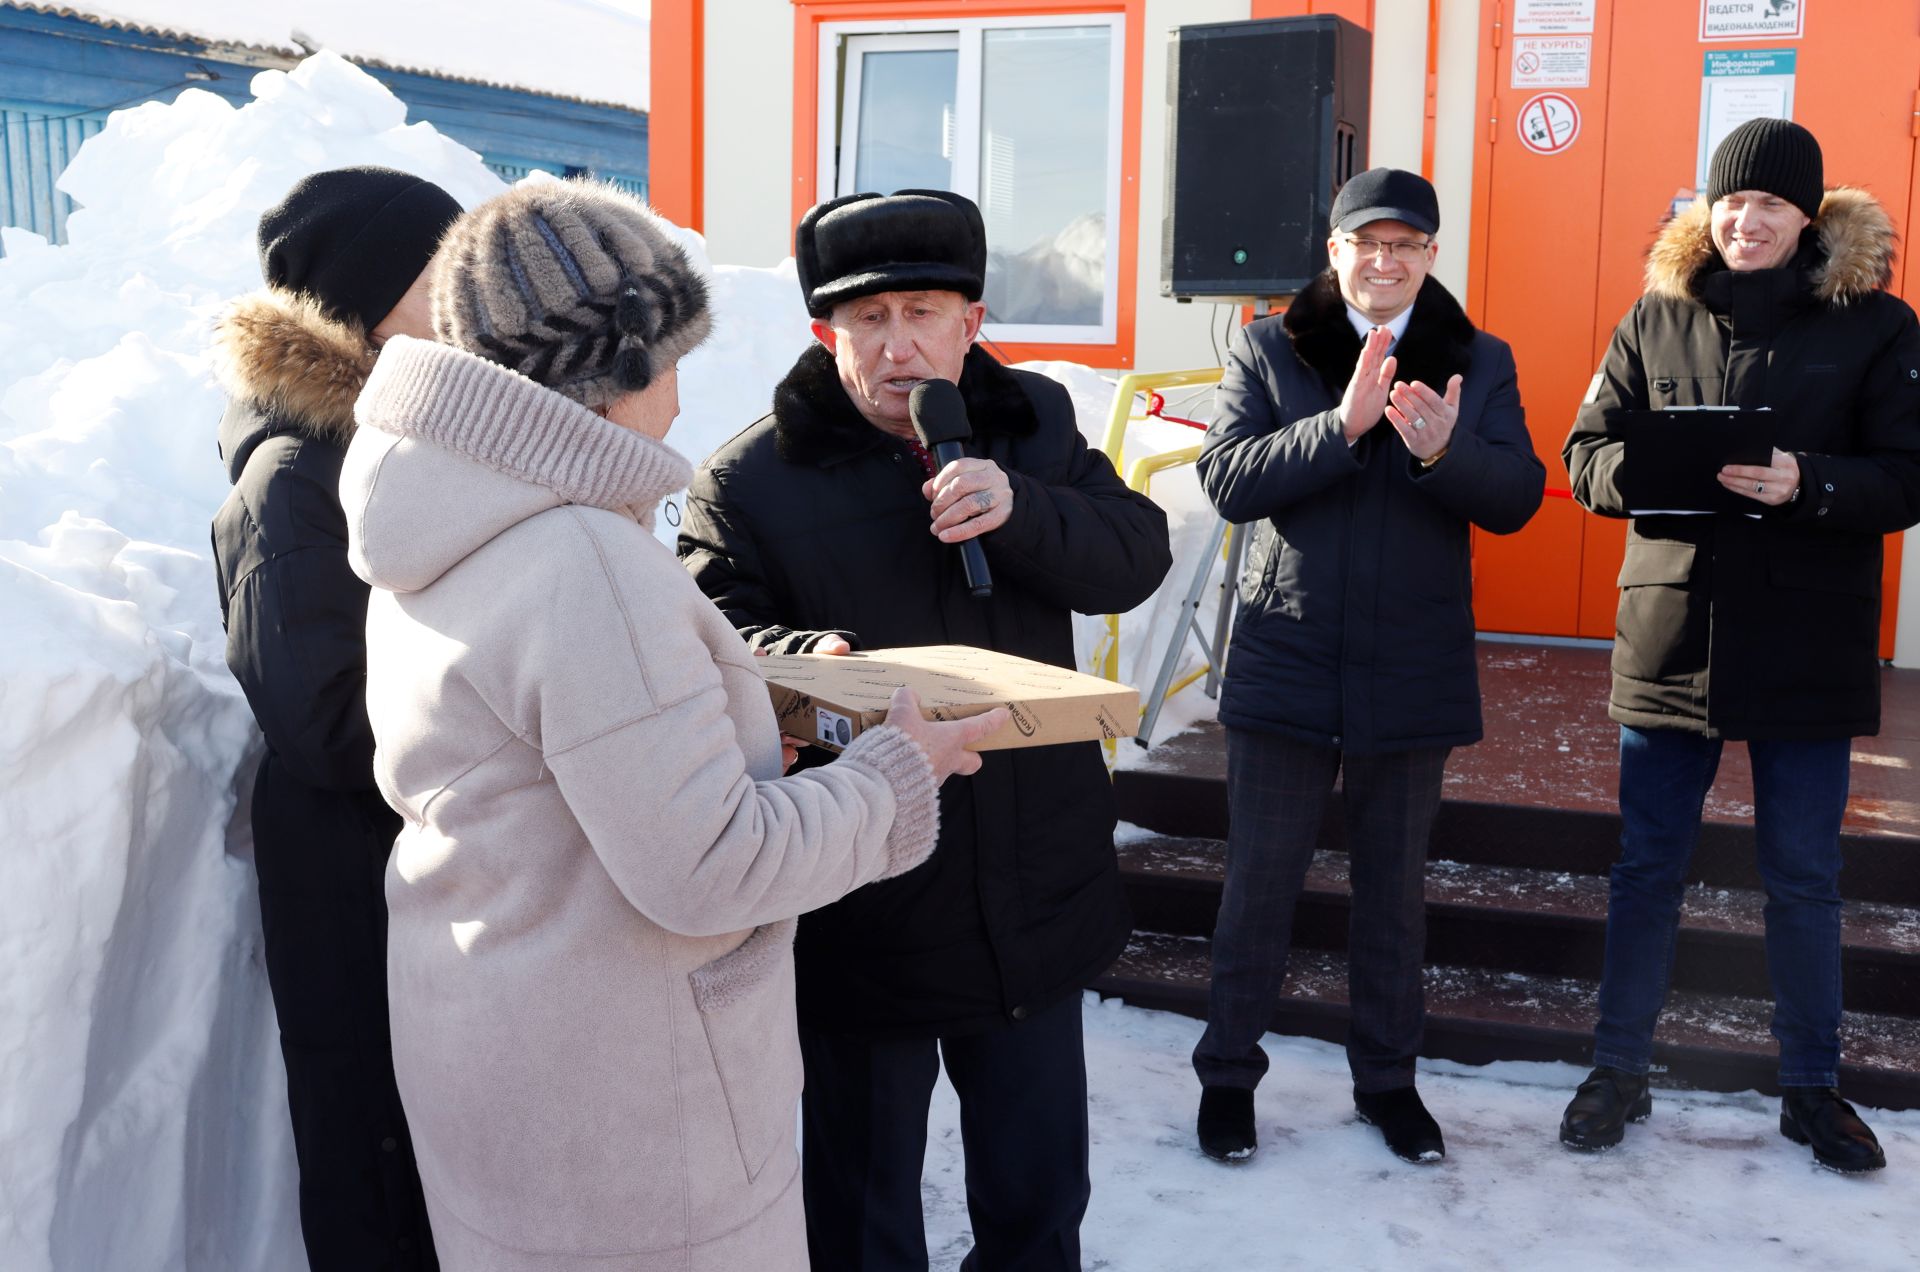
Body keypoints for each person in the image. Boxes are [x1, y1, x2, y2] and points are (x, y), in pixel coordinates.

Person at [339, 177, 1005, 1270]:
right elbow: (708, 869)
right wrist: (897, 775)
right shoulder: (584, 561)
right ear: (621, 363)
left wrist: (729, 727)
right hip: (638, 1131)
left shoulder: (443, 520)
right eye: (675, 357)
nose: (685, 398)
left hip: (503, 1065)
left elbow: (544, 775)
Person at [678, 189, 1171, 1271]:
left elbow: (1135, 559)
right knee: (859, 1213)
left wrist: (1026, 509)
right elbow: (710, 642)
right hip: (867, 899)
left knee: (1040, 1198)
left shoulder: (1032, 424)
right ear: (825, 332)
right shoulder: (752, 478)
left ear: (972, 321)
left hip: (1034, 878)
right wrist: (811, 668)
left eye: (922, 313)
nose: (898, 347)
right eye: (868, 321)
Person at [1559, 118, 1920, 1172]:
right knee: (1646, 867)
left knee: (1803, 874)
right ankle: (1618, 1069)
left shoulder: (1878, 326)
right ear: (1706, 211)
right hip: (1671, 636)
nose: (1746, 219)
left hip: (1807, 639)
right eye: (1731, 200)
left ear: (1809, 216)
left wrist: (1812, 483)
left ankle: (1812, 1088)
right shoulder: (1654, 316)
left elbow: (1907, 475)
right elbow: (1586, 457)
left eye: (1769, 203)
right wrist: (1657, 473)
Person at [1190, 168, 1545, 1166]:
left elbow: (1517, 494)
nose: (1385, 263)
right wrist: (1338, 429)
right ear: (1334, 251)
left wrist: (1444, 454)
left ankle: (1389, 1085)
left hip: (1412, 662)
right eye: (1366, 243)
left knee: (1393, 895)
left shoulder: (1480, 357)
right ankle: (1227, 1082)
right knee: (1256, 888)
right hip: (1289, 652)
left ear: (1432, 256)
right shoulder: (1270, 346)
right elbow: (1227, 480)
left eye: (1407, 246)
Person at [211, 164, 461, 1270]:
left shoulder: (409, 443)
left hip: (423, 857)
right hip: (350, 883)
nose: (464, 302)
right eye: (437, 278)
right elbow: (322, 721)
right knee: (375, 1156)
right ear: (366, 301)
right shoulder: (294, 478)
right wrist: (506, 734)